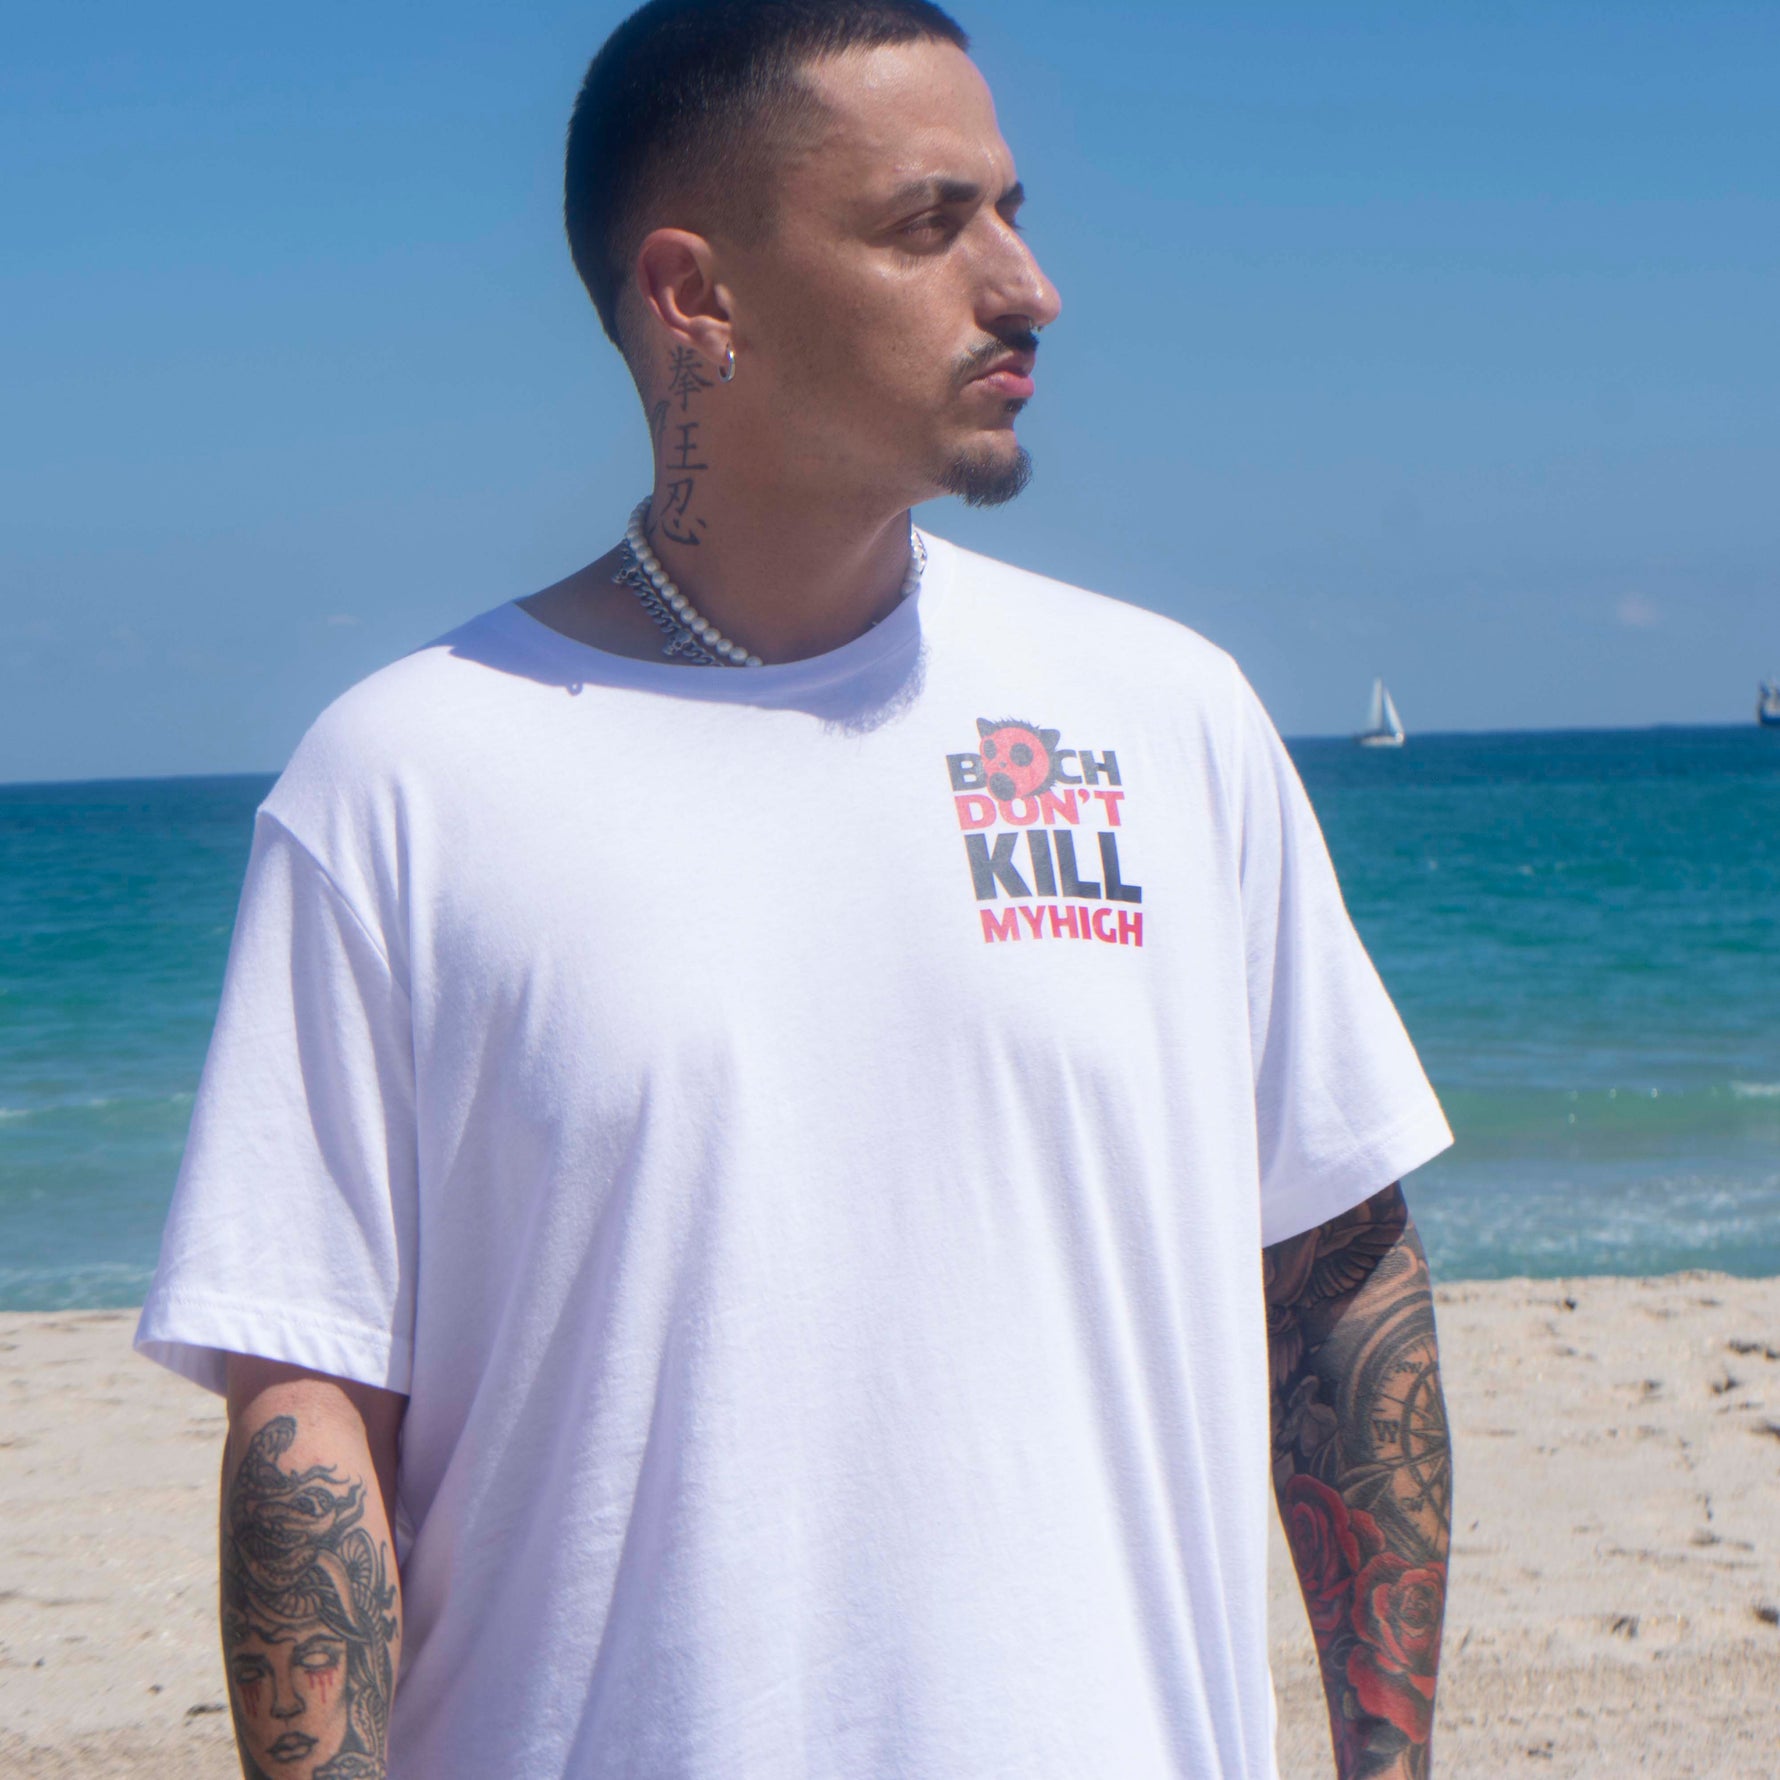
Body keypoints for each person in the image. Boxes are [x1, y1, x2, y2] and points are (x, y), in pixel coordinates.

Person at [136, 2, 1455, 1776]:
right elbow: (310, 1419)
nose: (1030, 286)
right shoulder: (404, 782)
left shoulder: (1167, 718)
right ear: (696, 296)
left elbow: (1340, 1278)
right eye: (930, 224)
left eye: (1012, 210)